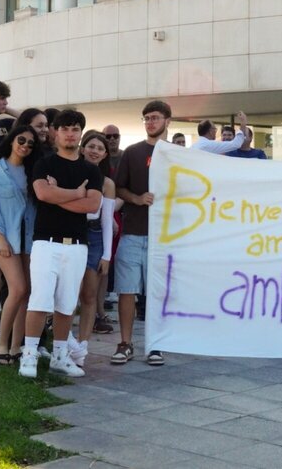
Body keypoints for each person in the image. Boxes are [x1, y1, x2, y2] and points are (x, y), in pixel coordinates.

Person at [18, 109, 102, 379]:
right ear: (55, 132)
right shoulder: (44, 164)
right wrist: (76, 193)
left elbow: (93, 204)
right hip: (46, 242)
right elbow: (42, 193)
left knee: (67, 304)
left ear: (80, 133)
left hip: (77, 245)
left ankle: (60, 355)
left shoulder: (91, 169)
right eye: (65, 128)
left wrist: (59, 195)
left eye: (75, 129)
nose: (70, 133)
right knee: (40, 300)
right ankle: (28, 354)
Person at [113, 100, 172, 366]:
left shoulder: (177, 154)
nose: (150, 122)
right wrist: (136, 199)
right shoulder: (132, 152)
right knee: (127, 291)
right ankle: (125, 343)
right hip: (134, 232)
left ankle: (156, 344)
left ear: (167, 121)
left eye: (155, 117)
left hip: (164, 237)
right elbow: (119, 188)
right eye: (146, 118)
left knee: (158, 293)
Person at [0, 124, 38, 364]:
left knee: (26, 292)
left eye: (30, 143)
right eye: (22, 140)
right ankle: (1, 344)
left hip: (30, 238)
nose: (25, 145)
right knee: (16, 289)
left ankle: (17, 346)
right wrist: (0, 239)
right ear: (12, 140)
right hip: (6, 239)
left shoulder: (32, 171)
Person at [73, 131, 118, 366]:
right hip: (72, 232)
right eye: (91, 146)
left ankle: (82, 346)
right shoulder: (72, 173)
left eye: (100, 148)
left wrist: (107, 255)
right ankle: (65, 343)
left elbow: (107, 220)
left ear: (104, 154)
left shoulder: (107, 183)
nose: (95, 151)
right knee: (70, 294)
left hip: (95, 236)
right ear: (82, 148)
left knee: (89, 294)